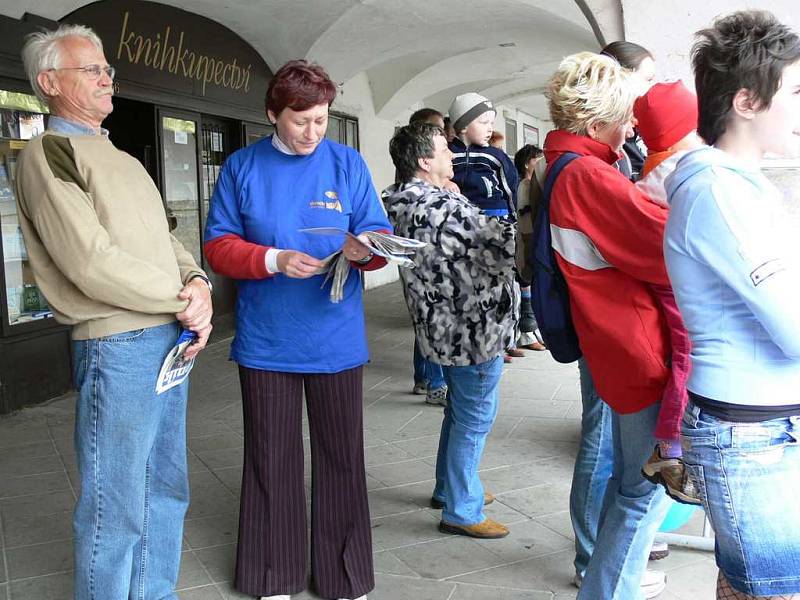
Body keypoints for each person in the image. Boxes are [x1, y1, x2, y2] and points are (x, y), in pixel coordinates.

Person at [16, 24, 213, 600]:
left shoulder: (120, 155)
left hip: (167, 337)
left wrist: (197, 282)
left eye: (107, 70)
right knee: (116, 502)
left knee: (166, 488)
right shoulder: (47, 152)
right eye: (93, 70)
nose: (108, 79)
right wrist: (184, 301)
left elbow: (166, 238)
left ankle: (154, 593)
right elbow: (90, 262)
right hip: (118, 345)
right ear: (50, 83)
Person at [203, 60, 390, 600]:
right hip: (267, 341)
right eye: (300, 120)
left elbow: (378, 233)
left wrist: (365, 249)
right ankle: (274, 575)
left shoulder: (347, 163)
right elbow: (218, 246)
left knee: (340, 458)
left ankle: (342, 576)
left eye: (321, 120)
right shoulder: (242, 167)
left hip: (335, 338)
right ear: (272, 115)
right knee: (271, 460)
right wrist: (274, 259)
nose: (312, 132)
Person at [665, 10, 800, 599]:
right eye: (796, 92)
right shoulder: (720, 193)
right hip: (751, 434)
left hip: (764, 423)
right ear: (747, 101)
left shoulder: (742, 185)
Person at [544, 51, 672, 599]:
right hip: (631, 345)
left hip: (612, 344)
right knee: (644, 487)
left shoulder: (569, 167)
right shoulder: (589, 175)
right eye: (624, 117)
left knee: (632, 482)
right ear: (596, 125)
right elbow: (665, 245)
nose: (631, 126)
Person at [383, 121, 516, 539]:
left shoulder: (401, 202)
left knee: (460, 413)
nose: (452, 155)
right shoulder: (443, 208)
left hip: (440, 326)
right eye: (444, 149)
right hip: (473, 328)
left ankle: (452, 488)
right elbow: (505, 247)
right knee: (474, 418)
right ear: (425, 161)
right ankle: (462, 508)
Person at [633, 82, 704, 505]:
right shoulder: (680, 168)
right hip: (677, 281)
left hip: (666, 279)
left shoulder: (656, 167)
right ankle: (669, 445)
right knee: (688, 354)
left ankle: (671, 445)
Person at [406, 108, 448, 406]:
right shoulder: (423, 192)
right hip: (428, 265)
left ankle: (424, 377)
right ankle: (433, 382)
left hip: (421, 264)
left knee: (424, 320)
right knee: (432, 319)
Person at [601, 41, 657, 180]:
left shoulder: (631, 129)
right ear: (622, 77)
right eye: (648, 79)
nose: (650, 88)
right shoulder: (610, 134)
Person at [513, 144, 547, 352]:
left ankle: (532, 330)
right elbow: (525, 224)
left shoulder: (534, 185)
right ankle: (526, 332)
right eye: (537, 159)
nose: (541, 163)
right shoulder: (524, 185)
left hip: (530, 242)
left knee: (531, 291)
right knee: (526, 288)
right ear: (527, 163)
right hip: (526, 243)